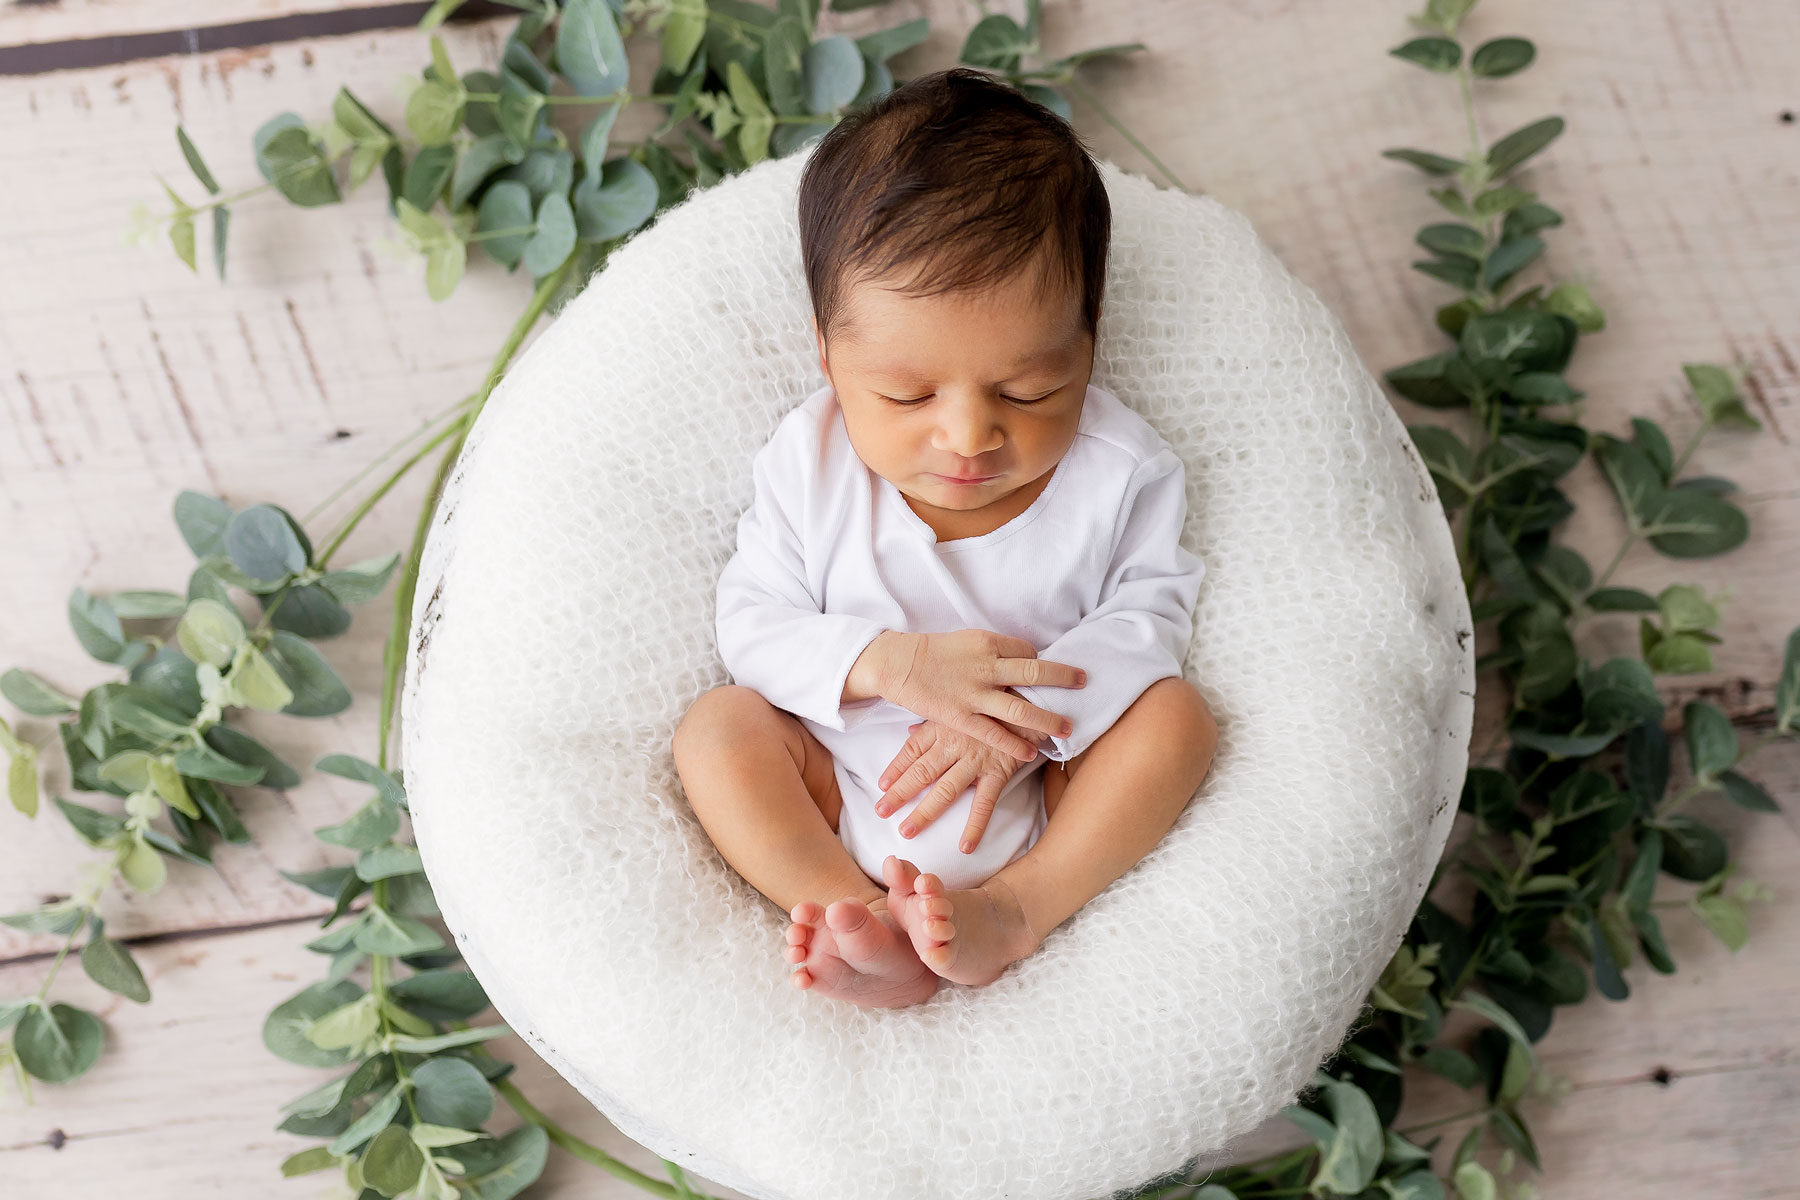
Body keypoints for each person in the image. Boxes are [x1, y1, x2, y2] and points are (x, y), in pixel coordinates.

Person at [671, 67, 1217, 1010]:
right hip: (842, 781)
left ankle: (1017, 908)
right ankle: (856, 919)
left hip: (1042, 783)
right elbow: (751, 624)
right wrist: (886, 666)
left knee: (1177, 720)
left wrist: (1023, 727)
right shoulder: (811, 460)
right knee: (717, 732)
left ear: (1089, 344)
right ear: (828, 354)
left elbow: (1150, 617)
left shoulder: (1121, 469)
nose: (969, 437)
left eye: (1028, 391)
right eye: (907, 395)